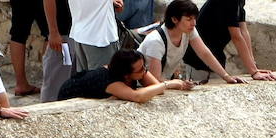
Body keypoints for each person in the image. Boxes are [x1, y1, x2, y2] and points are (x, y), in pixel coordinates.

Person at [199, 0, 276, 82]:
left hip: (216, 57)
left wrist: (254, 67)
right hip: (201, 61)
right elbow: (236, 36)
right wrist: (253, 72)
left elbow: (243, 31)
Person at [138, 0, 242, 83]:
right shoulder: (156, 41)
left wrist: (226, 76)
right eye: (189, 19)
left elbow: (204, 53)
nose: (194, 23)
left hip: (166, 81)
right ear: (174, 19)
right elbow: (154, 79)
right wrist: (179, 84)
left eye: (194, 19)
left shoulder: (188, 31)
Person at [56, 49, 193, 103]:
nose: (145, 71)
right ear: (126, 75)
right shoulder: (111, 81)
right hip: (69, 94)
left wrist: (145, 75)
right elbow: (137, 97)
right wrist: (169, 83)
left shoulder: (137, 70)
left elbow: (154, 87)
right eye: (140, 70)